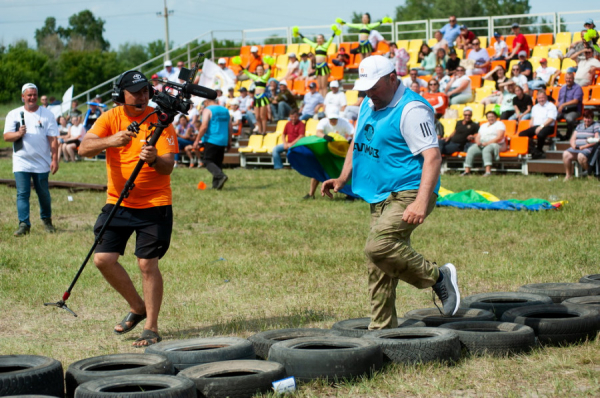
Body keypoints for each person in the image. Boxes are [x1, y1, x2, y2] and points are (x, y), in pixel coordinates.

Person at [321, 56, 460, 330]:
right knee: (378, 263)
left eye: (374, 86)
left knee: (378, 246)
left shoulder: (412, 109)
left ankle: (438, 277)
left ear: (392, 78)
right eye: (365, 87)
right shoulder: (367, 103)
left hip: (409, 191)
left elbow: (432, 158)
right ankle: (382, 330)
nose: (369, 92)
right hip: (378, 195)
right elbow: (358, 142)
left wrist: (421, 202)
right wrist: (342, 177)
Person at [78, 70, 178, 347]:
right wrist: (112, 140)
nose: (142, 96)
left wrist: (155, 159)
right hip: (118, 201)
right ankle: (137, 306)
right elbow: (83, 148)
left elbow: (168, 166)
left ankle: (151, 327)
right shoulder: (111, 117)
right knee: (103, 259)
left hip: (154, 203)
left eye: (145, 91)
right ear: (120, 95)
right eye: (135, 92)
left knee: (147, 264)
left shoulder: (162, 121)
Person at [3, 83, 59, 236]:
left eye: (34, 94)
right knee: (22, 193)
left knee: (43, 194)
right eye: (29, 95)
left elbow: (53, 139)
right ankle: (24, 224)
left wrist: (55, 159)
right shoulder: (14, 114)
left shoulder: (47, 114)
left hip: (41, 163)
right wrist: (18, 134)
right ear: (23, 97)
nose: (32, 98)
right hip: (21, 161)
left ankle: (47, 220)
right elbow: (7, 136)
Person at [304, 107, 355, 199]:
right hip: (327, 151)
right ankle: (311, 194)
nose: (333, 121)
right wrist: (325, 136)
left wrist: (350, 140)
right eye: (331, 119)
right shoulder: (323, 122)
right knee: (319, 169)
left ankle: (349, 195)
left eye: (335, 119)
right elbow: (318, 132)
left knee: (344, 172)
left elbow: (353, 134)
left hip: (340, 152)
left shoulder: (344, 122)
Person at [193, 98, 232, 189]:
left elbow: (204, 126)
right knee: (217, 163)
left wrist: (197, 140)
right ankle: (217, 186)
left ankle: (220, 175)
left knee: (207, 161)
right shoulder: (225, 110)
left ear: (207, 102)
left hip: (212, 139)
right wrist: (229, 141)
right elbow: (230, 127)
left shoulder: (208, 110)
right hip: (223, 139)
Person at [295, 26, 339, 97]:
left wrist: (335, 32)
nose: (319, 40)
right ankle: (321, 100)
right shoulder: (315, 46)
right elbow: (306, 40)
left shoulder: (325, 45)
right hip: (318, 68)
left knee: (324, 86)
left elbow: (331, 39)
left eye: (320, 38)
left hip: (324, 67)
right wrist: (299, 34)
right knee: (320, 86)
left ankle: (325, 101)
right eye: (318, 38)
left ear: (323, 39)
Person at [462, 111, 507, 176]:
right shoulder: (483, 125)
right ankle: (467, 171)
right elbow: (478, 136)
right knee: (471, 150)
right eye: (489, 117)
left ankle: (488, 172)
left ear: (495, 117)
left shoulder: (499, 124)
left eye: (492, 116)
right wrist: (478, 142)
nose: (490, 118)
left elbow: (499, 136)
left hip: (496, 144)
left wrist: (488, 143)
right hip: (483, 143)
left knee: (487, 149)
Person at [518, 91, 557, 158]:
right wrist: (531, 124)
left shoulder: (551, 106)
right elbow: (533, 118)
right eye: (539, 98)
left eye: (542, 97)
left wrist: (541, 126)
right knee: (521, 134)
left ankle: (539, 149)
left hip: (548, 126)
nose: (541, 99)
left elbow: (551, 119)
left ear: (546, 97)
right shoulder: (535, 107)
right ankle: (536, 151)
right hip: (536, 126)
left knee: (540, 134)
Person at [563, 110, 600, 181]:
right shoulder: (579, 126)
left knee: (581, 156)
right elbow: (572, 138)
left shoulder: (596, 125)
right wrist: (573, 145)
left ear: (592, 118)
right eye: (586, 118)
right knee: (566, 154)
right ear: (583, 118)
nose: (587, 120)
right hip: (577, 148)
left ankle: (589, 173)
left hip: (589, 148)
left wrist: (584, 147)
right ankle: (568, 175)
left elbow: (596, 140)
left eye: (589, 118)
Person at [240, 64, 272, 134]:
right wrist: (241, 66)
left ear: (263, 71)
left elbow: (269, 71)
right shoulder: (255, 78)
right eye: (258, 70)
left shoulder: (264, 77)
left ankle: (264, 131)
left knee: (262, 116)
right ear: (256, 71)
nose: (259, 71)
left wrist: (269, 65)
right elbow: (248, 73)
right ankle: (260, 131)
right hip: (256, 98)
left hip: (263, 97)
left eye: (261, 69)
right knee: (257, 116)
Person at [557, 72, 584, 140]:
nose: (568, 80)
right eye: (567, 78)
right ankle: (558, 135)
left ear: (573, 79)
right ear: (565, 79)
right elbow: (558, 100)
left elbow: (576, 101)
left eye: (570, 78)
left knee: (569, 118)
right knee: (551, 117)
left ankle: (568, 136)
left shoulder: (577, 88)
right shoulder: (562, 88)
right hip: (562, 110)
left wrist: (563, 105)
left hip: (573, 110)